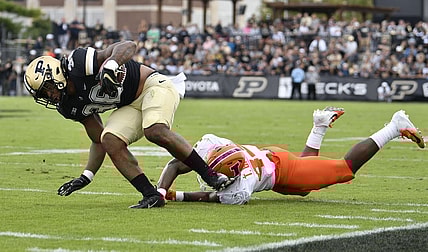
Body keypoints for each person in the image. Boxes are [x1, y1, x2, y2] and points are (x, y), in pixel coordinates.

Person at [23, 40, 230, 209]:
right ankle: (151, 195)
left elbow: (128, 45)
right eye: (43, 94)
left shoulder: (77, 64)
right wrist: (86, 176)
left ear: (55, 75)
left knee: (154, 130)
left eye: (47, 88)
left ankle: (210, 175)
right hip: (129, 104)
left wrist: (111, 64)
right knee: (110, 139)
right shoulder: (67, 107)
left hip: (152, 85)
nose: (48, 96)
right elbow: (98, 140)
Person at [157, 107, 425, 205]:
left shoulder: (241, 183)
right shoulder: (212, 148)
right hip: (274, 160)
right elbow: (176, 163)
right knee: (302, 190)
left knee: (344, 169)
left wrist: (177, 196)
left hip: (282, 168)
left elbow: (210, 196)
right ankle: (319, 125)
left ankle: (393, 126)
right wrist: (161, 191)